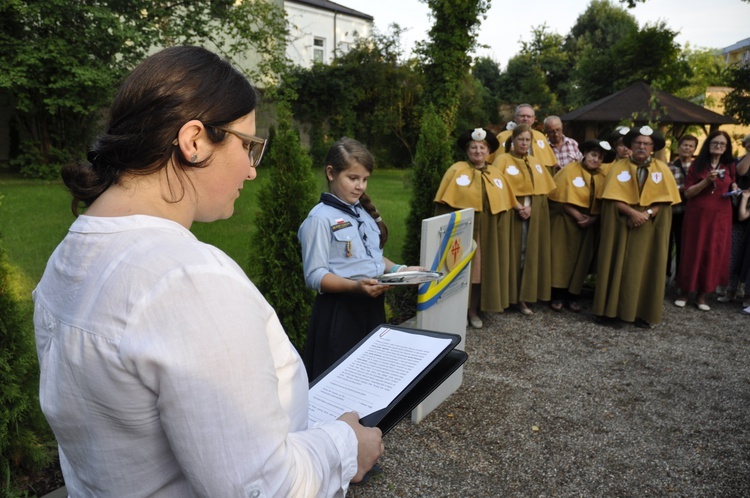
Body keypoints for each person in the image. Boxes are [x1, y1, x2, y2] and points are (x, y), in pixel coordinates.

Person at [33, 46, 383, 497]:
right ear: (195, 140)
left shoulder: (71, 252)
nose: (252, 170)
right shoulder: (186, 280)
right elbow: (259, 487)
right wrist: (344, 446)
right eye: (249, 146)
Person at [299, 137, 419, 380]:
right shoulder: (320, 220)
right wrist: (355, 286)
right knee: (339, 378)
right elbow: (315, 276)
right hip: (340, 312)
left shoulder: (361, 212)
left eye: (365, 179)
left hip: (370, 305)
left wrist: (400, 270)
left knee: (369, 374)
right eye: (353, 178)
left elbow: (373, 258)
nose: (360, 186)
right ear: (331, 173)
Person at [593, 126, 681, 328]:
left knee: (646, 267)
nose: (642, 146)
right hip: (622, 223)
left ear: (652, 147)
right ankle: (611, 312)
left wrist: (645, 214)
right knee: (617, 264)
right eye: (638, 143)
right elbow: (610, 196)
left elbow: (665, 200)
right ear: (631, 145)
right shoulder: (618, 167)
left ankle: (642, 313)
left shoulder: (661, 169)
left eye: (646, 144)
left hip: (649, 226)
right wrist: (632, 213)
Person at [434, 128, 519, 328]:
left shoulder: (496, 173)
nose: (478, 151)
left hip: (487, 233)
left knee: (480, 273)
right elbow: (443, 205)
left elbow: (505, 204)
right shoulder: (456, 170)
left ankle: (473, 310)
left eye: (482, 147)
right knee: (460, 271)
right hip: (463, 233)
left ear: (488, 151)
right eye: (473, 147)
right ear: (467, 150)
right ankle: (458, 311)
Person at [492, 123, 557, 315]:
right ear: (513, 140)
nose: (524, 143)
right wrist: (519, 207)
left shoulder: (536, 163)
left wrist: (531, 208)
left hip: (532, 213)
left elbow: (542, 190)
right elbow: (498, 187)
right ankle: (506, 297)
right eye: (520, 139)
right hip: (511, 213)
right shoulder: (502, 160)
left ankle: (522, 298)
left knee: (526, 255)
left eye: (527, 140)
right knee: (511, 254)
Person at [675, 130, 738, 311]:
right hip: (698, 214)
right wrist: (706, 181)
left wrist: (734, 186)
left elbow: (732, 182)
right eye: (715, 143)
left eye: (722, 144)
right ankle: (684, 292)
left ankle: (703, 294)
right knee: (692, 250)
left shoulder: (729, 165)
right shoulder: (697, 165)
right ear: (708, 145)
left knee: (713, 251)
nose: (718, 146)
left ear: (726, 148)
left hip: (721, 215)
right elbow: (687, 193)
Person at [548, 139, 612, 312]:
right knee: (562, 258)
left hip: (590, 223)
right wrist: (577, 215)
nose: (595, 160)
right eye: (593, 155)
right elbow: (557, 196)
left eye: (600, 157)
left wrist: (592, 219)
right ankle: (557, 295)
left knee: (581, 260)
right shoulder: (569, 170)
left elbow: (606, 201)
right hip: (567, 220)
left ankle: (573, 295)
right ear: (585, 154)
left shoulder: (603, 176)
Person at [720, 134, 750, 303]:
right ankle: (730, 289)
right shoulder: (738, 161)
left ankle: (746, 293)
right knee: (734, 251)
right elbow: (740, 172)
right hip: (738, 210)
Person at [488, 104, 558, 170]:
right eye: (522, 116)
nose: (525, 119)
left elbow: (549, 165)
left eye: (528, 116)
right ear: (515, 118)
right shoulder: (502, 137)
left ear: (533, 119)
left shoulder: (540, 137)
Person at [667, 134, 698, 279]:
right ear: (678, 147)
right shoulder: (668, 167)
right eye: (685, 145)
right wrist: (682, 189)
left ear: (694, 149)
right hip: (671, 211)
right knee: (666, 244)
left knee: (684, 245)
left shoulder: (698, 167)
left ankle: (681, 277)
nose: (687, 148)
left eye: (691, 146)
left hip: (690, 212)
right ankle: (664, 274)